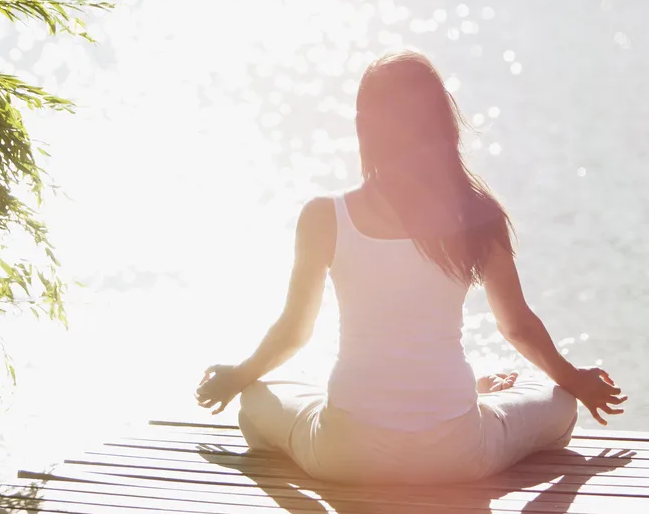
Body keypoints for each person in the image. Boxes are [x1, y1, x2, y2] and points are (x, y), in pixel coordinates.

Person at [196, 50, 625, 483]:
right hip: (455, 454)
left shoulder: (324, 216)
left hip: (347, 453)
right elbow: (516, 327)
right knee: (557, 398)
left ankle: (467, 396)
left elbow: (295, 333)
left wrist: (238, 376)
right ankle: (471, 396)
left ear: (365, 127)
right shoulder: (479, 214)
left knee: (258, 396)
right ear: (443, 125)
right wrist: (576, 380)